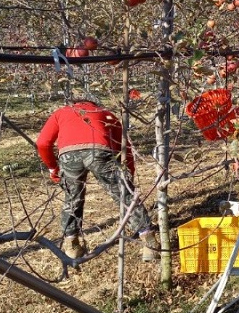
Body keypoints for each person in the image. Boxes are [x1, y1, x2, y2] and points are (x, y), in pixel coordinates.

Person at [36, 96, 158, 260]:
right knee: (123, 195)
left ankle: (72, 245)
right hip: (99, 151)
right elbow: (124, 148)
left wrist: (53, 167)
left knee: (72, 199)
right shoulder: (106, 114)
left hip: (68, 156)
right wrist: (128, 176)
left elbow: (43, 143)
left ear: (72, 103)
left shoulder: (61, 113)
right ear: (94, 104)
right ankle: (149, 242)